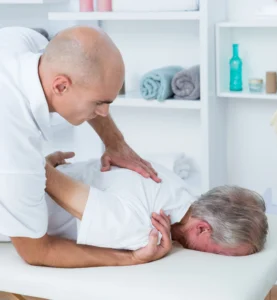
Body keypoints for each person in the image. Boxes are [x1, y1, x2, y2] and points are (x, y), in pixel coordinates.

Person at [0, 26, 167, 267]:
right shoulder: (14, 144)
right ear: (60, 87)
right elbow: (37, 252)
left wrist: (115, 143)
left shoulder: (22, 41)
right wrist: (130, 258)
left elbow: (81, 68)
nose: (104, 113)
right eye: (99, 103)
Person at [38, 151, 268, 268]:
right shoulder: (146, 228)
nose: (216, 259)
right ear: (202, 229)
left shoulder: (176, 186)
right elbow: (44, 178)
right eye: (219, 254)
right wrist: (133, 258)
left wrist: (48, 163)